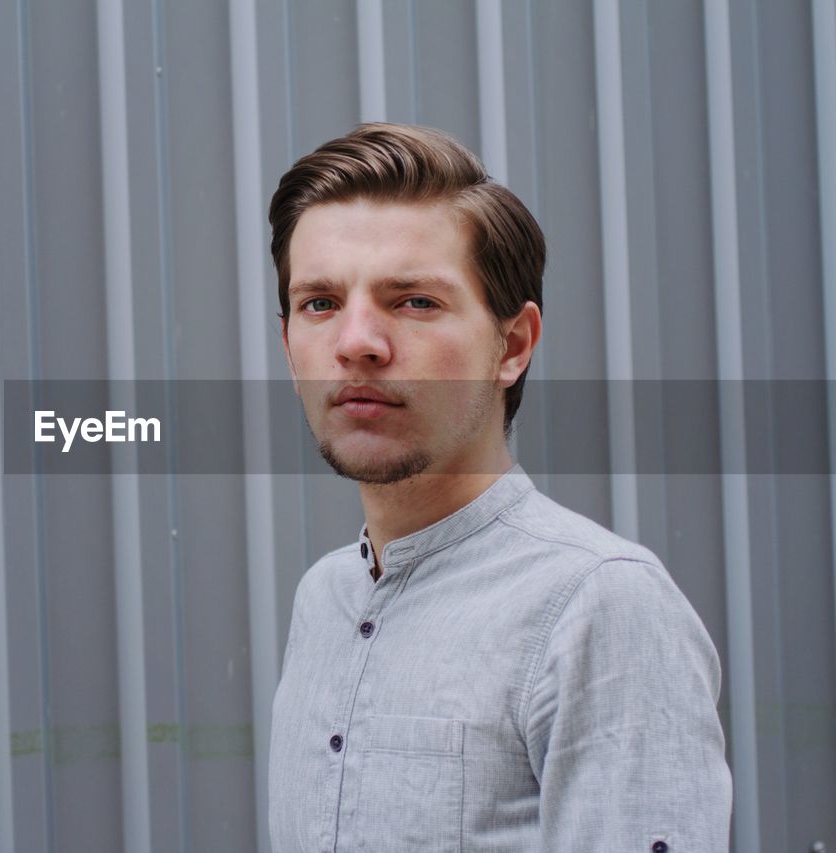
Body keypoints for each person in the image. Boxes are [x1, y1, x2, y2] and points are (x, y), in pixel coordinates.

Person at [266, 123, 731, 852]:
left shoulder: (600, 606)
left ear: (511, 346)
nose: (356, 341)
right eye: (319, 302)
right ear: (289, 341)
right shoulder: (321, 599)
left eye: (414, 300)